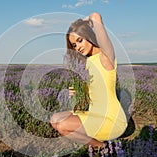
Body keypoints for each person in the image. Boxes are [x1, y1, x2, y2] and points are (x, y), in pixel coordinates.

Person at [50, 12, 128, 149]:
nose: (77, 48)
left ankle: (101, 147)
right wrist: (78, 91)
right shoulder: (86, 64)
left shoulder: (105, 58)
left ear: (89, 36)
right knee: (55, 120)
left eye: (80, 41)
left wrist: (88, 20)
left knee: (63, 126)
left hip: (111, 120)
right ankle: (96, 141)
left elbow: (96, 16)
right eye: (74, 45)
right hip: (94, 114)